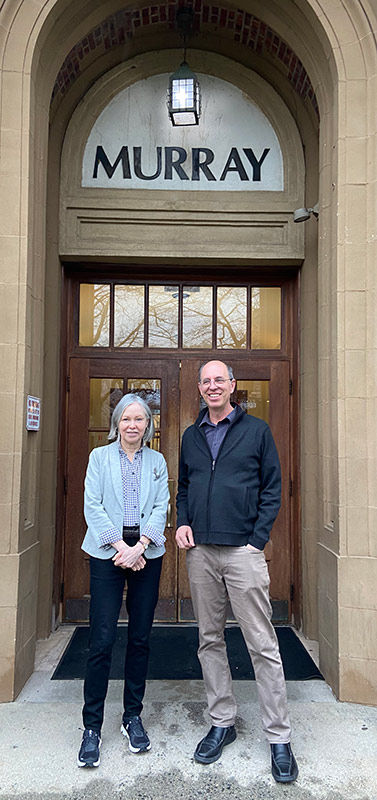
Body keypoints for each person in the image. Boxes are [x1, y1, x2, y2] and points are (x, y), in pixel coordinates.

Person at [176, 360, 298, 784]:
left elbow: (272, 487)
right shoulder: (191, 437)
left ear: (232, 385)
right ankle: (222, 722)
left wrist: (257, 539)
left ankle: (279, 738)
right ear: (200, 388)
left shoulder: (257, 431)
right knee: (209, 640)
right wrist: (183, 521)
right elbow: (185, 488)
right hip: (202, 553)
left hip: (243, 552)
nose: (212, 387)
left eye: (219, 380)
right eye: (205, 381)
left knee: (262, 643)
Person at [77, 393, 169, 768]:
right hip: (107, 553)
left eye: (140, 419)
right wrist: (121, 546)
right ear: (117, 422)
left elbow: (163, 504)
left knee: (140, 638)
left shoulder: (157, 461)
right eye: (127, 419)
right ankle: (92, 727)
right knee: (101, 640)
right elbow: (91, 505)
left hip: (146, 553)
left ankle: (132, 716)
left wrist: (141, 545)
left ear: (148, 425)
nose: (133, 425)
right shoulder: (99, 457)